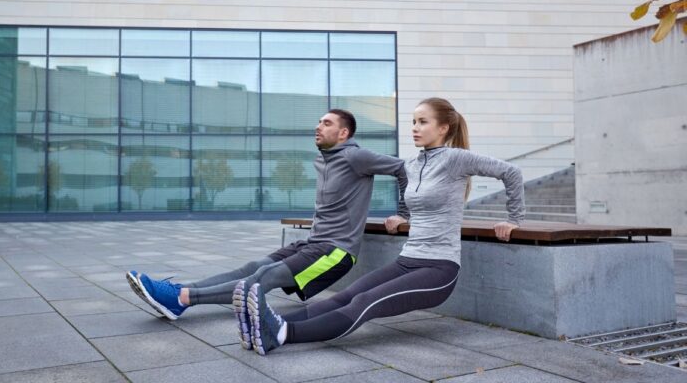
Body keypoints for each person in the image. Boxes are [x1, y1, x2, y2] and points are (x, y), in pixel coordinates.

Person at [239, 97, 525, 355]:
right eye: (413, 121)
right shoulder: (413, 164)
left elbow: (511, 172)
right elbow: (409, 188)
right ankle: (267, 323)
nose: (415, 128)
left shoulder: (456, 159)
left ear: (443, 128)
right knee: (347, 295)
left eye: (422, 122)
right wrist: (403, 215)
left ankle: (282, 333)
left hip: (439, 268)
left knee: (364, 302)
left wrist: (513, 219)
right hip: (407, 261)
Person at [126, 109, 409, 350]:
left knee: (264, 276)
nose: (318, 127)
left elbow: (403, 168)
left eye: (327, 123)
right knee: (253, 267)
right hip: (313, 243)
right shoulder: (324, 160)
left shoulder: (356, 156)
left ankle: (181, 299)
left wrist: (403, 213)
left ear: (344, 133)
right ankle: (180, 289)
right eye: (318, 122)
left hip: (336, 251)